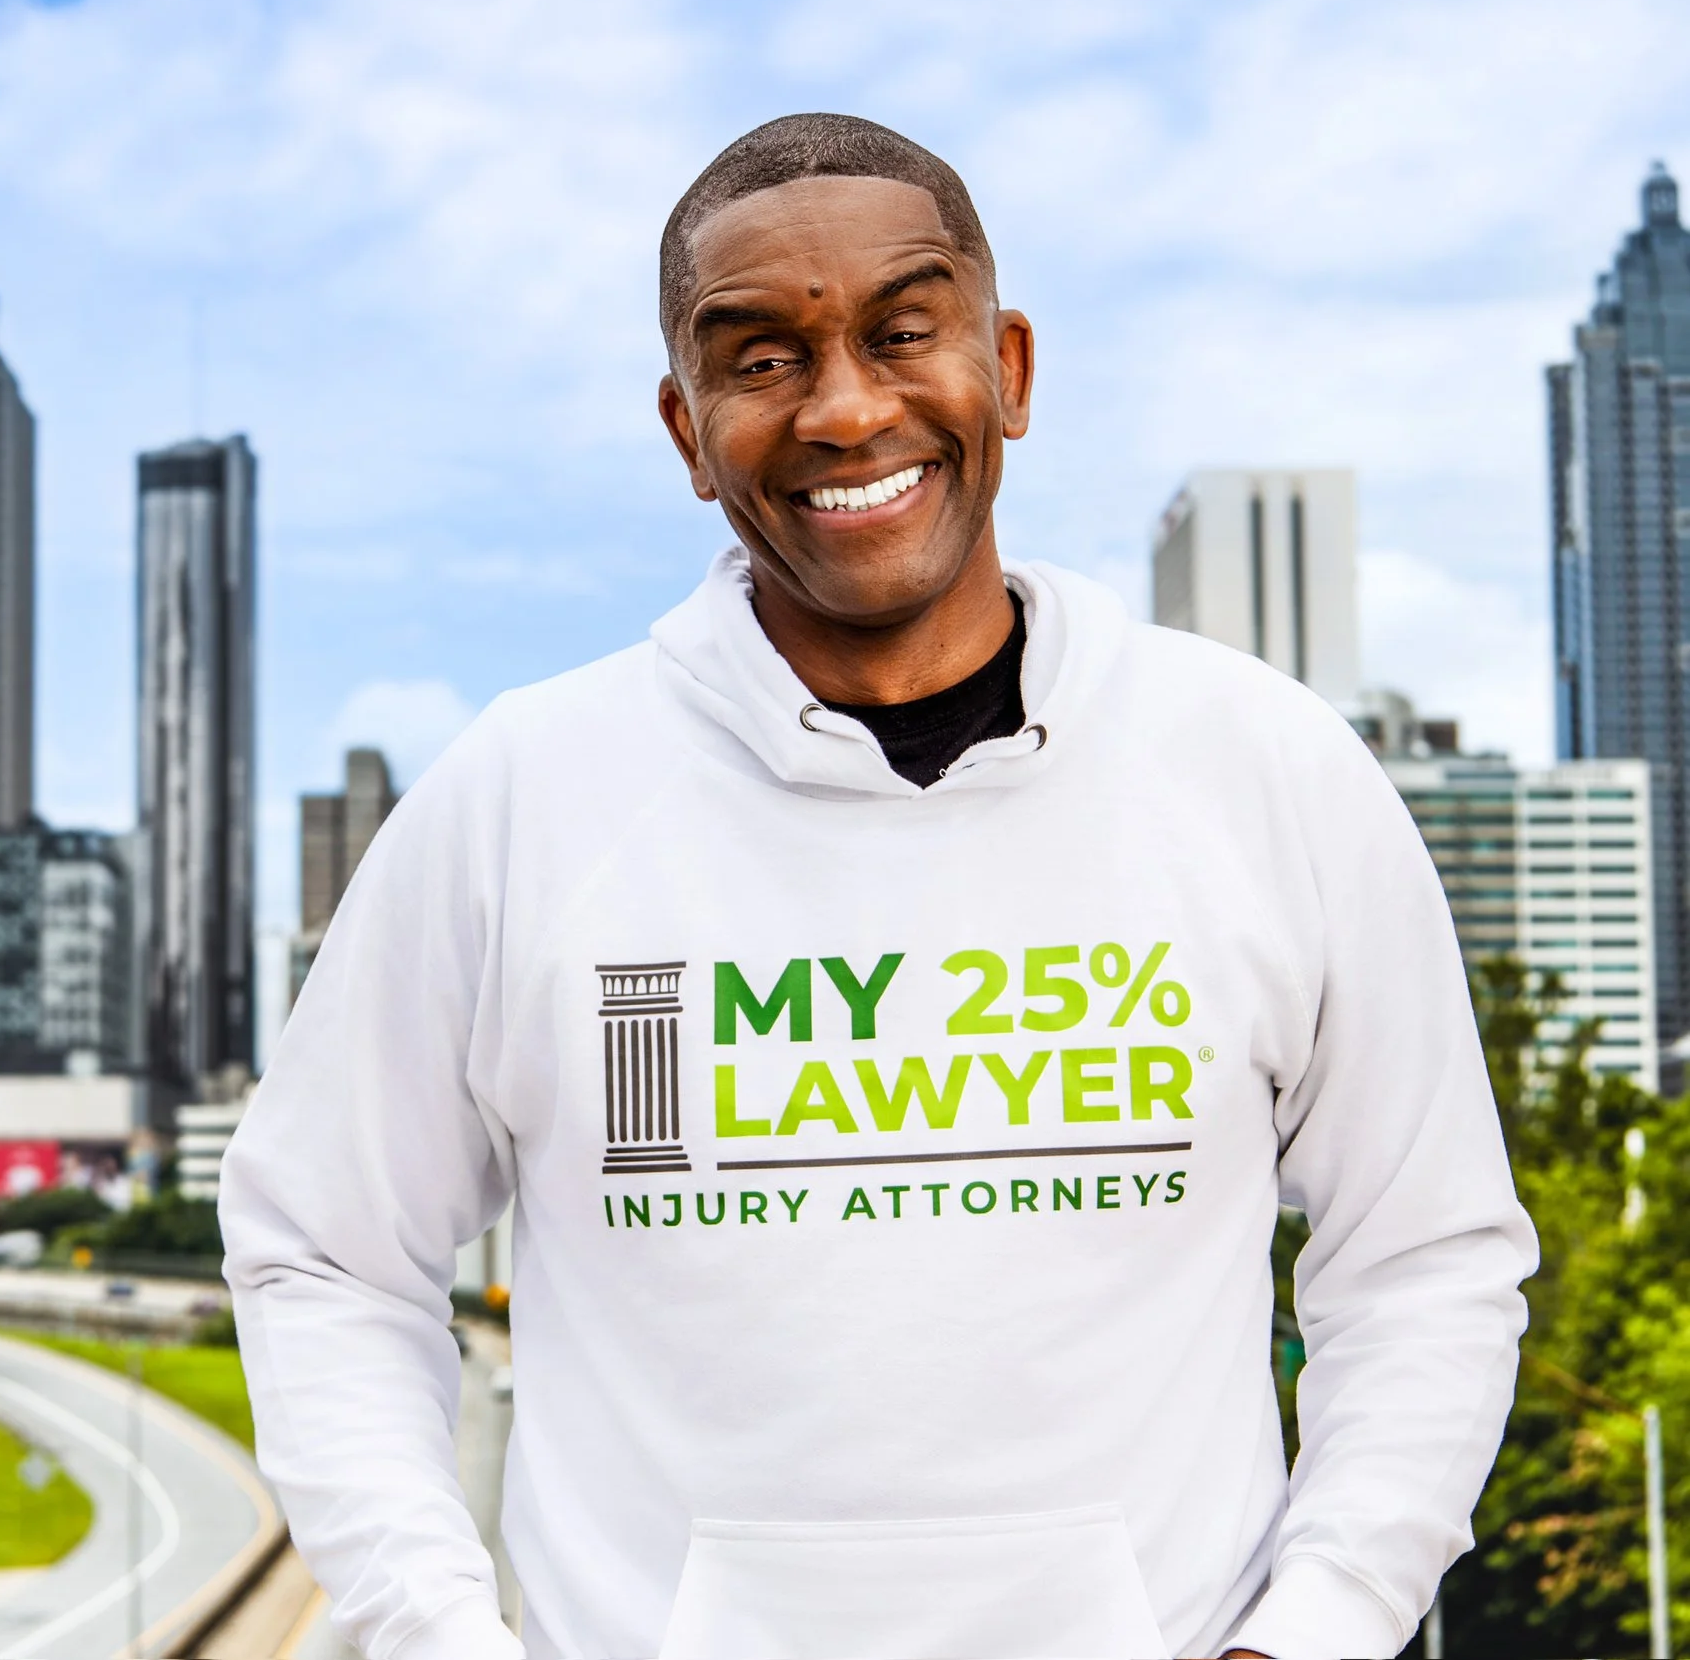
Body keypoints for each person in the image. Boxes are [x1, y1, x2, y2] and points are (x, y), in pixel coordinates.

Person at [219, 112, 1536, 1660]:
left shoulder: (1270, 770)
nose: (847, 408)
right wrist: (439, 1634)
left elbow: (1429, 1257)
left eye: (906, 331)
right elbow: (323, 1250)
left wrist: (1316, 1630)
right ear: (686, 430)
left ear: (1013, 372)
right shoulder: (518, 800)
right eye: (762, 357)